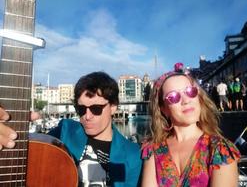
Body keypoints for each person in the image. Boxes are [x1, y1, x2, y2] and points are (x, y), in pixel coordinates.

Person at [0, 72, 142, 187]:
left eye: (96, 109)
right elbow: (27, 151)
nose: (87, 116)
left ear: (113, 107)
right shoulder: (65, 130)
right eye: (81, 109)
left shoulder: (133, 154)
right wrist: (12, 128)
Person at [141, 63, 240, 187]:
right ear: (163, 109)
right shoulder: (152, 149)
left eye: (190, 91)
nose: (186, 100)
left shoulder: (220, 150)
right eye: (173, 97)